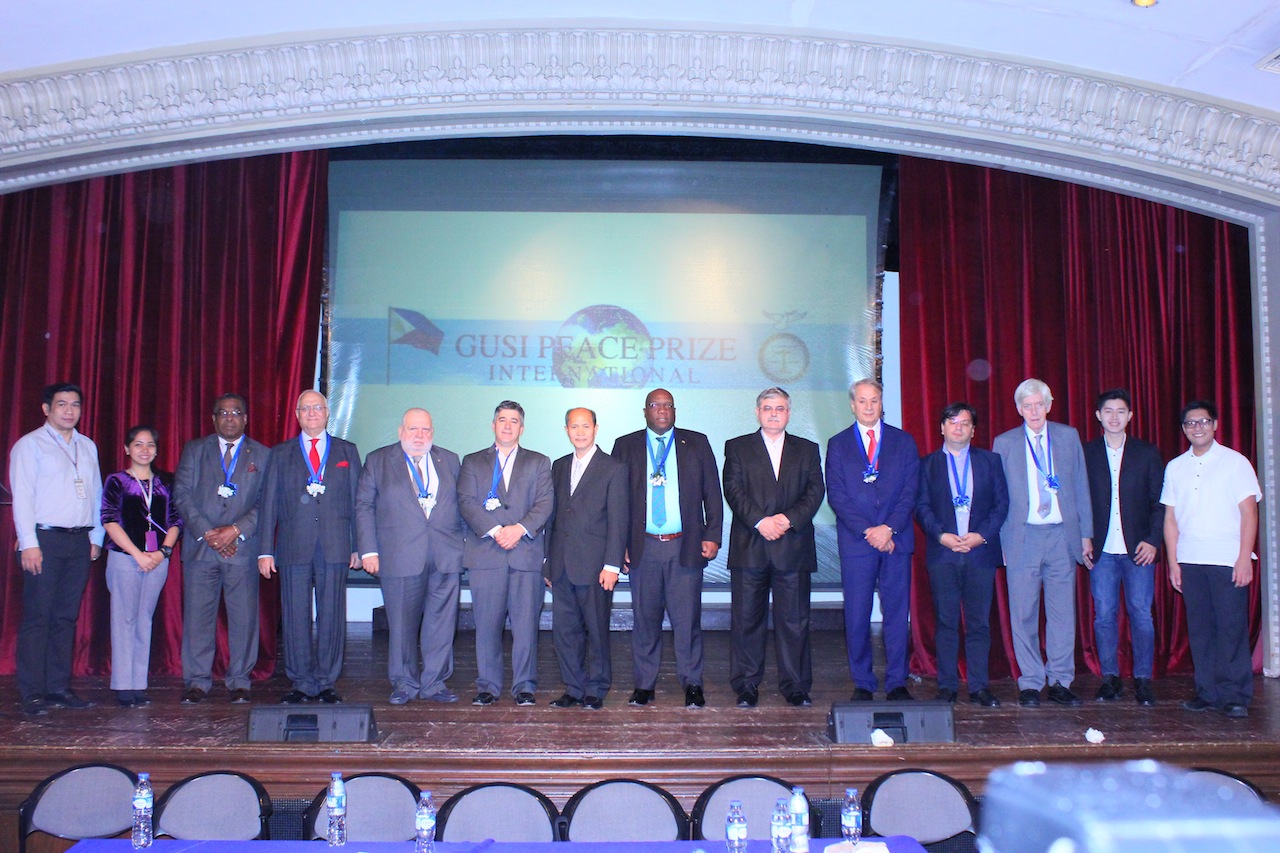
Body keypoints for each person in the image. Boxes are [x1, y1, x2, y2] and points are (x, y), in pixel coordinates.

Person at [611, 388, 724, 708]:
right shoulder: (625, 445)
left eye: (668, 405)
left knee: (687, 620)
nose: (662, 410)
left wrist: (713, 535)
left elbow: (712, 493)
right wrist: (619, 546)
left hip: (684, 546)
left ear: (674, 411)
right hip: (643, 547)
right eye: (655, 405)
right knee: (645, 620)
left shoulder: (696, 443)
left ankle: (693, 683)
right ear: (645, 411)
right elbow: (616, 500)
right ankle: (644, 685)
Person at [722, 387, 825, 708]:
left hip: (792, 547)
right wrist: (760, 521)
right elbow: (733, 489)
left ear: (789, 413)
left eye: (780, 408)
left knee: (794, 622)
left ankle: (796, 686)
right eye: (768, 408)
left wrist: (787, 520)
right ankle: (746, 685)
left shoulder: (807, 449)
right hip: (750, 546)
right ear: (757, 412)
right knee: (746, 621)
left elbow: (815, 491)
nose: (774, 413)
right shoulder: (737, 447)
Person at [992, 378, 1092, 707]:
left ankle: (1060, 680)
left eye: (1039, 404)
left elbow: (1081, 485)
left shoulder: (1068, 436)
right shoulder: (1004, 443)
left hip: (1062, 534)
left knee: (1062, 613)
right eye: (1027, 406)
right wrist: (1000, 540)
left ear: (1049, 405)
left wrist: (1085, 534)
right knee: (1023, 613)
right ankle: (1031, 682)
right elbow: (997, 496)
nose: (1034, 411)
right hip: (1023, 537)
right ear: (1018, 409)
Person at [258, 390, 362, 705]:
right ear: (297, 415)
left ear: (327, 413)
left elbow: (358, 503)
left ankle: (327, 681)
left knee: (332, 616)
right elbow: (268, 504)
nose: (312, 413)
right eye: (306, 408)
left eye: (318, 407)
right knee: (295, 616)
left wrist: (359, 546)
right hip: (293, 547)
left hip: (335, 545)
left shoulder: (346, 450)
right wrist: (265, 550)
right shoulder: (280, 454)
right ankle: (301, 681)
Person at [356, 408, 465, 705]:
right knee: (402, 625)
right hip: (399, 556)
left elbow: (462, 505)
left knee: (442, 624)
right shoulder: (379, 460)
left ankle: (434, 682)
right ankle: (404, 682)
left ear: (433, 433)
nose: (419, 436)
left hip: (445, 555)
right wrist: (368, 550)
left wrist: (464, 547)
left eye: (425, 430)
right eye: (413, 429)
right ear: (400, 431)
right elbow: (363, 506)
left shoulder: (450, 460)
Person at [9, 382, 105, 716]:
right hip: (44, 540)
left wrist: (96, 538)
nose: (69, 411)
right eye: (62, 404)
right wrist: (29, 543)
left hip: (79, 541)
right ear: (46, 409)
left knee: (66, 617)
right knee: (39, 617)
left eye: (75, 405)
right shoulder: (30, 445)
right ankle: (32, 692)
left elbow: (96, 494)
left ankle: (58, 687)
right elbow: (23, 497)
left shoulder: (87, 446)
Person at [1162, 400, 1260, 719]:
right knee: (1200, 630)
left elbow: (1249, 513)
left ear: (1215, 425)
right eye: (1191, 423)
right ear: (1184, 429)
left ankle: (1235, 696)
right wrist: (1174, 563)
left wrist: (1244, 557)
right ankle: (1207, 692)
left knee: (1230, 629)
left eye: (1203, 421)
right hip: (1190, 560)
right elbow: (1170, 519)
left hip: (1227, 559)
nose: (1198, 427)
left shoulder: (1235, 462)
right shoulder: (1175, 467)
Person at [172, 393, 270, 704]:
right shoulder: (194, 450)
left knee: (243, 618)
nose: (230, 418)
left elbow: (267, 502)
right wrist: (209, 533)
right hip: (201, 548)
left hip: (242, 549)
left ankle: (240, 680)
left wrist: (234, 531)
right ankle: (197, 681)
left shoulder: (263, 455)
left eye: (236, 412)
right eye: (223, 413)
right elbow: (182, 494)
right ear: (213, 419)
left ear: (246, 419)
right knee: (198, 618)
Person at [826, 378, 920, 701]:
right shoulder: (838, 444)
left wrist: (889, 528)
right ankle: (863, 682)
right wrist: (870, 531)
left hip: (896, 541)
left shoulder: (903, 442)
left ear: (882, 404)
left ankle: (897, 681)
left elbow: (910, 491)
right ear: (852, 405)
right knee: (856, 614)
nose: (868, 407)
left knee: (896, 614)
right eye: (862, 401)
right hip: (857, 543)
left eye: (874, 401)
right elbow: (837, 495)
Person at [457, 401, 554, 707]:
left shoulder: (539, 462)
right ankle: (487, 685)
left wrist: (519, 529)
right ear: (493, 425)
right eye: (502, 420)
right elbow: (466, 501)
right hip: (486, 555)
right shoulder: (473, 462)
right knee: (487, 625)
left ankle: (524, 686)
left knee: (526, 627)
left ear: (522, 428)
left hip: (526, 555)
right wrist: (497, 530)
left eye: (514, 421)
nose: (508, 425)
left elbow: (545, 503)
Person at [915, 402, 1009, 706]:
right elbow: (921, 506)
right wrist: (941, 535)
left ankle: (979, 687)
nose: (959, 428)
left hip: (980, 552)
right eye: (953, 422)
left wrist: (981, 535)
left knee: (979, 623)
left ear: (973, 430)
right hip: (943, 554)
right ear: (942, 428)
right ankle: (947, 686)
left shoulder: (990, 461)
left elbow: (1002, 504)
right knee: (946, 622)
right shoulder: (927, 465)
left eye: (965, 423)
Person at [1083, 388, 1164, 706]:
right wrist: (1083, 537)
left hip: (1139, 549)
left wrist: (1153, 540)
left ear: (1130, 416)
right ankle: (1110, 678)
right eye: (1108, 411)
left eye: (1121, 411)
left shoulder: (1147, 453)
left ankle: (1143, 678)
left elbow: (1160, 502)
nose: (1114, 417)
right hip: (1101, 549)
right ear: (1098, 416)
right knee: (1103, 615)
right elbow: (1078, 500)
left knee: (1141, 614)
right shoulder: (1087, 453)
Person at [545, 407, 629, 710]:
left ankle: (596, 688)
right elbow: (553, 518)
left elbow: (618, 521)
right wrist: (547, 562)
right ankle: (573, 687)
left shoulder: (613, 468)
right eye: (574, 426)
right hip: (561, 565)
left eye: (585, 426)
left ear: (596, 428)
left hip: (595, 567)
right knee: (565, 632)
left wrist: (612, 565)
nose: (579, 432)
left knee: (596, 630)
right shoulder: (558, 466)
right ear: (566, 430)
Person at [100, 425, 182, 707]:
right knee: (124, 619)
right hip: (126, 559)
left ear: (157, 450)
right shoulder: (116, 481)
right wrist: (137, 554)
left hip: (158, 559)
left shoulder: (166, 483)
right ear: (127, 449)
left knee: (144, 619)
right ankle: (123, 686)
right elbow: (109, 520)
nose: (144, 450)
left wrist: (162, 552)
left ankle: (138, 684)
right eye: (138, 444)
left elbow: (176, 520)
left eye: (150, 445)